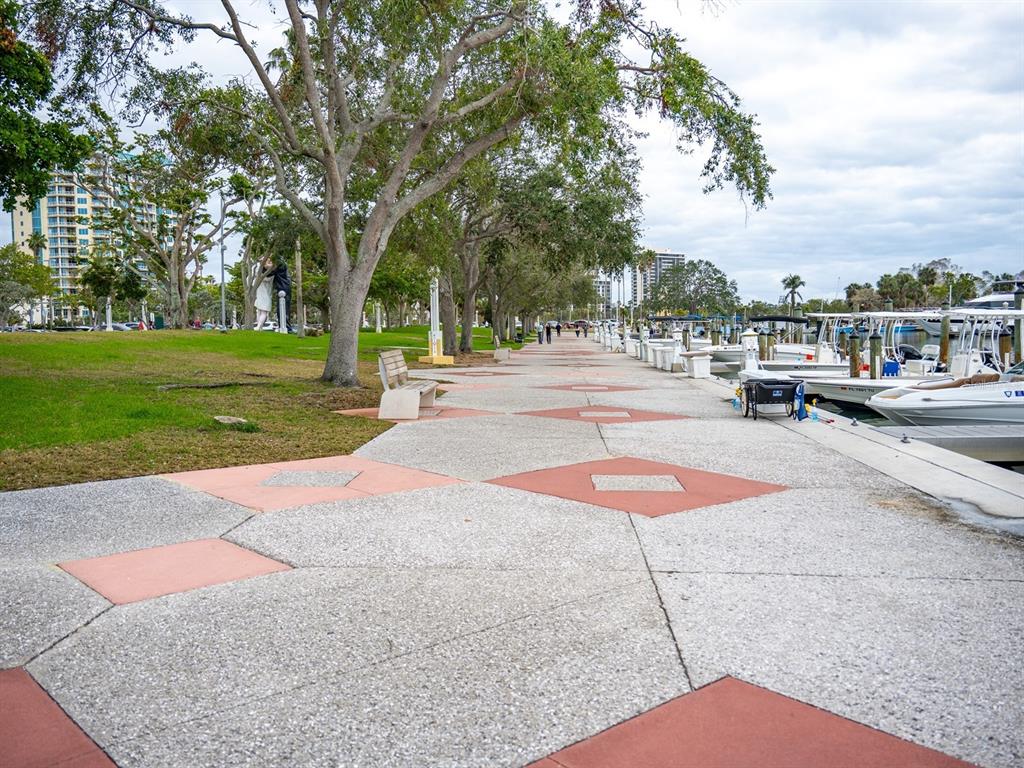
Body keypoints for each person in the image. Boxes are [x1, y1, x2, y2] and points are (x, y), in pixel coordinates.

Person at [253, 257, 274, 330]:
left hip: (265, 293)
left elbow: (267, 279)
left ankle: (259, 326)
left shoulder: (270, 272)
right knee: (260, 311)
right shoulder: (258, 270)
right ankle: (259, 326)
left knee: (262, 311)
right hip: (261, 293)